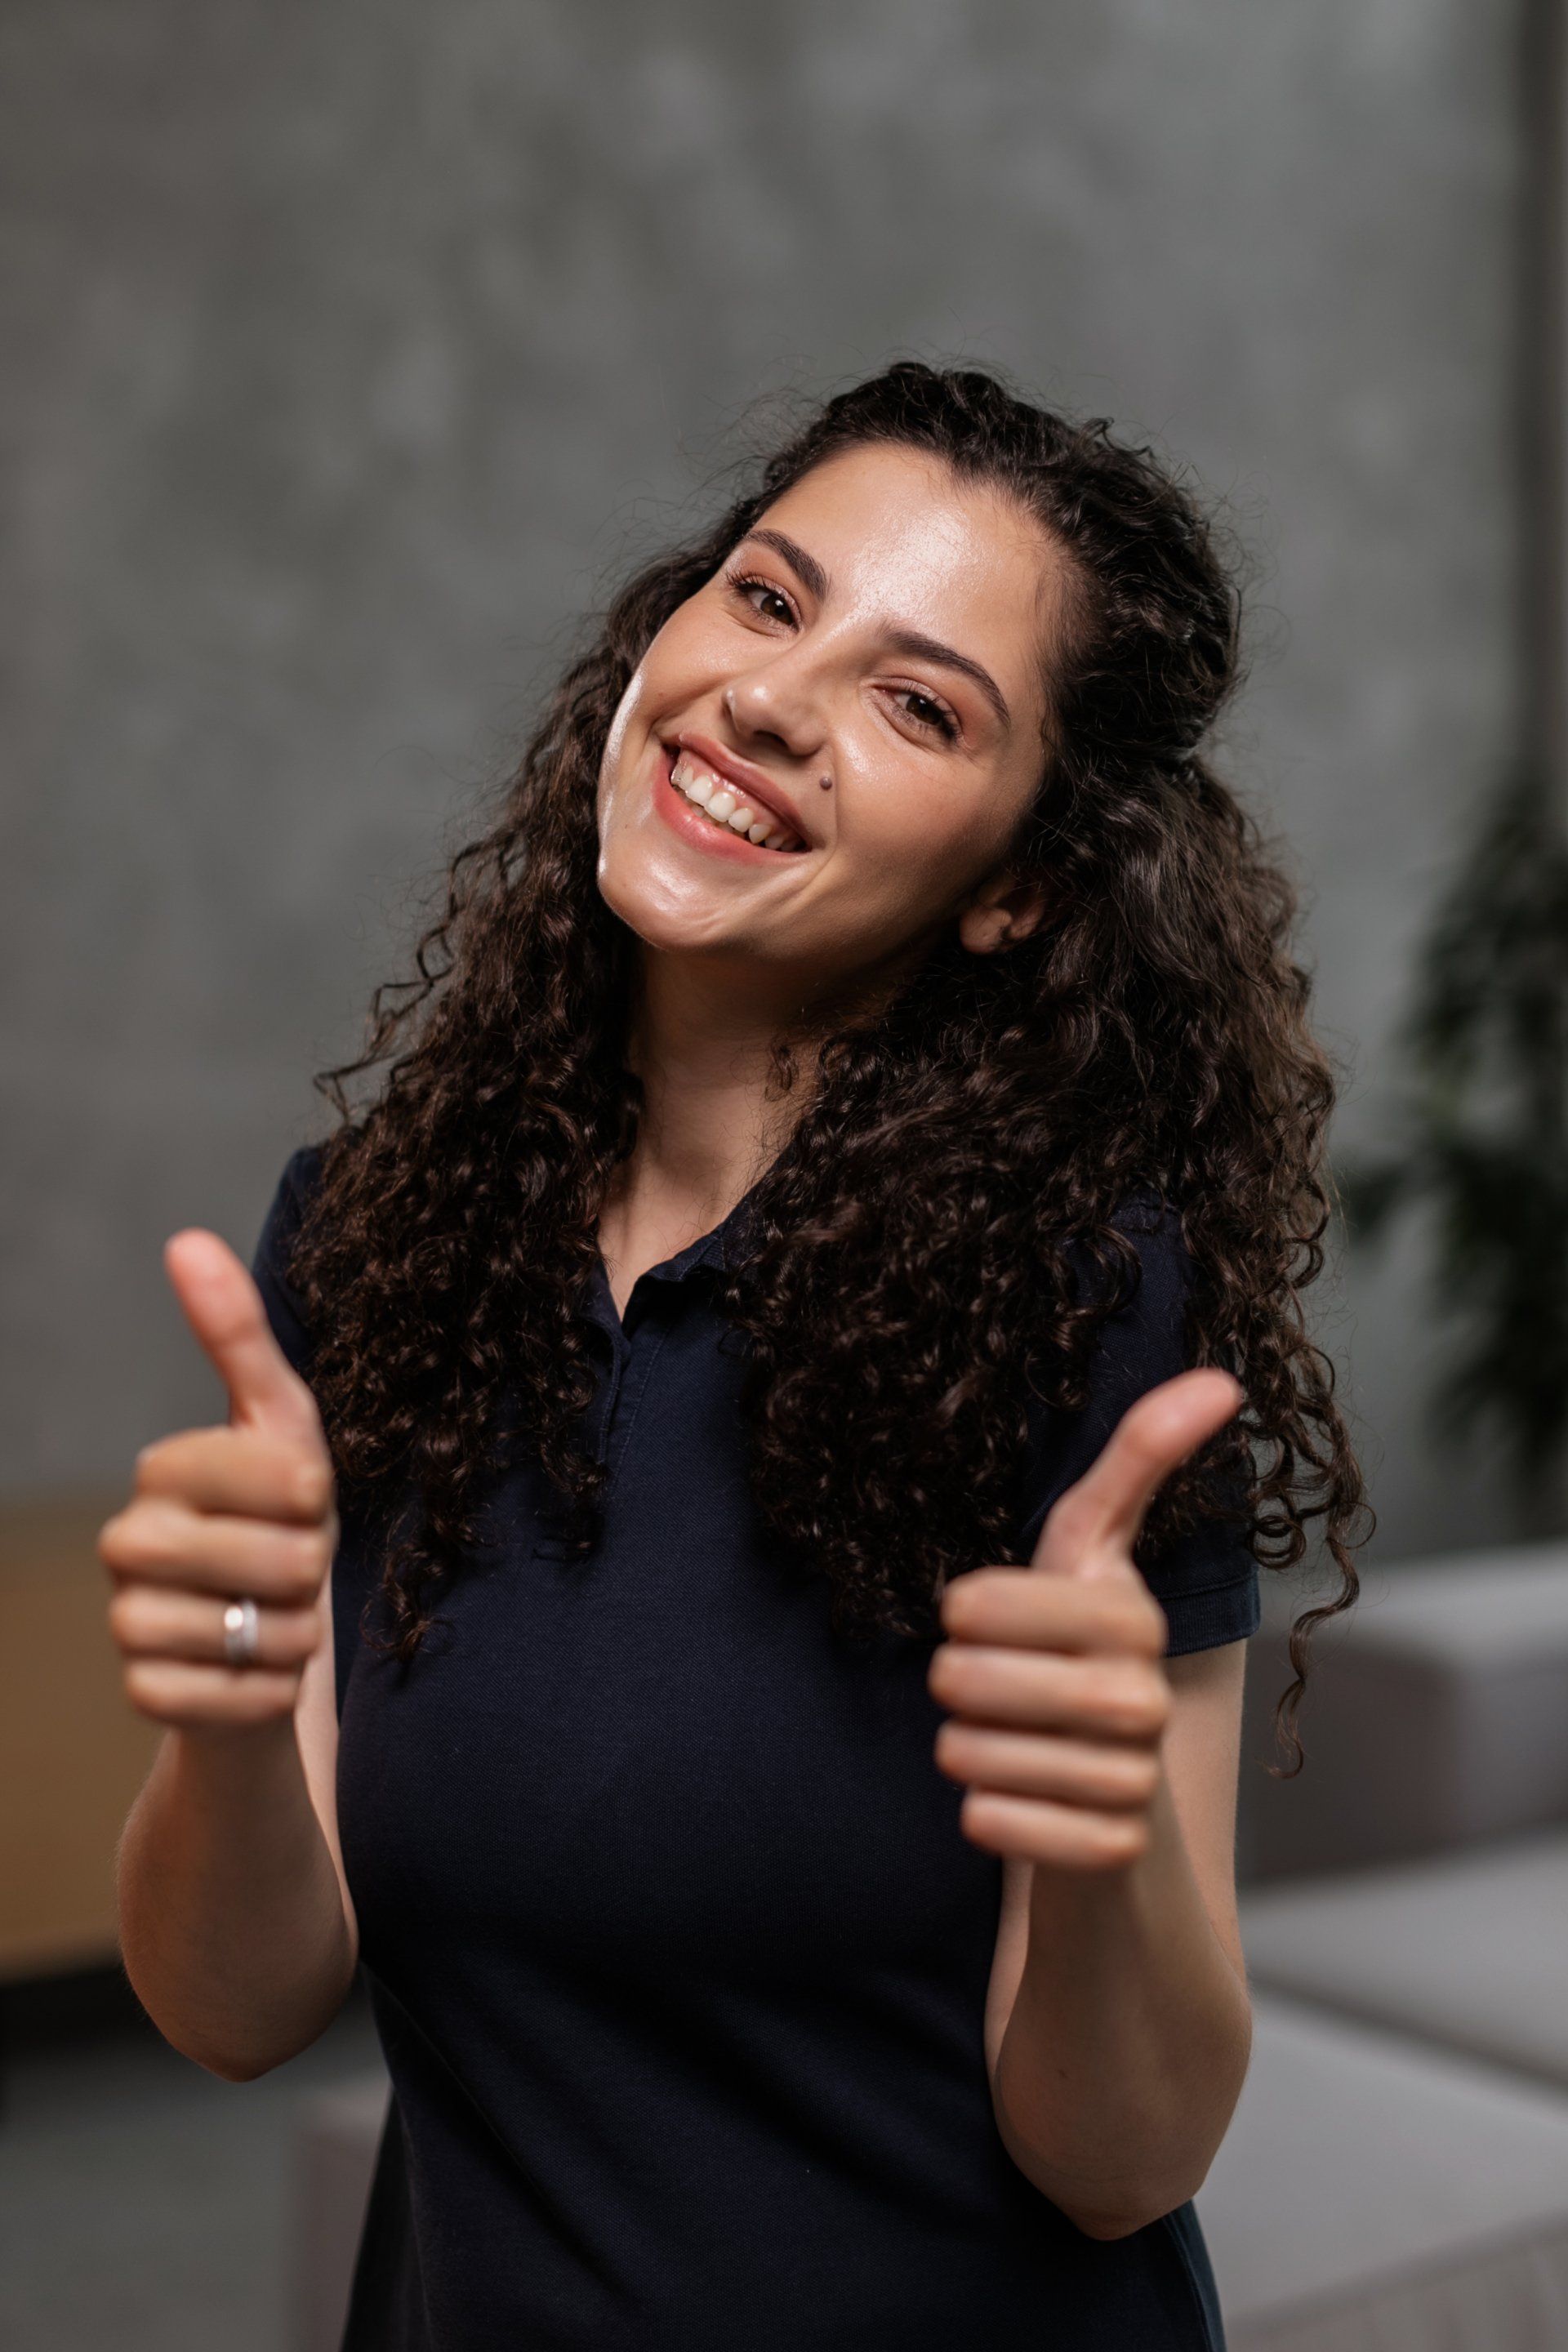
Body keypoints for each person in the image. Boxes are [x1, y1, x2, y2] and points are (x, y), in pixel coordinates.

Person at [101, 363, 1367, 2351]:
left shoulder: (1090, 1305)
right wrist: (233, 1705)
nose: (775, 696)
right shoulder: (375, 1239)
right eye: (770, 600)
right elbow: (236, 2009)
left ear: (1017, 887)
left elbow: (1119, 2161)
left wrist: (1104, 1841)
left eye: (920, 700)